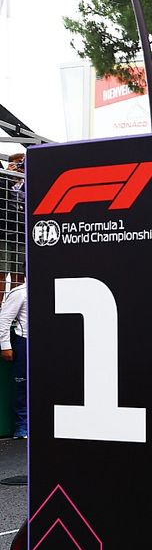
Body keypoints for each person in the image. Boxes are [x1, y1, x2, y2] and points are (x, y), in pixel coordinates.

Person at [0, 279, 27, 439]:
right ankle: (22, 427)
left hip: (46, 343)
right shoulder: (20, 292)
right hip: (24, 341)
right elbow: (4, 320)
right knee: (22, 384)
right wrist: (5, 346)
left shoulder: (51, 288)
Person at [1, 153, 25, 307]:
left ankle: (14, 311)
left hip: (21, 234)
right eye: (17, 163)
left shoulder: (29, 182)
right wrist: (8, 177)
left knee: (19, 276)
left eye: (22, 163)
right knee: (2, 273)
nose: (19, 166)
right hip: (3, 233)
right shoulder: (3, 180)